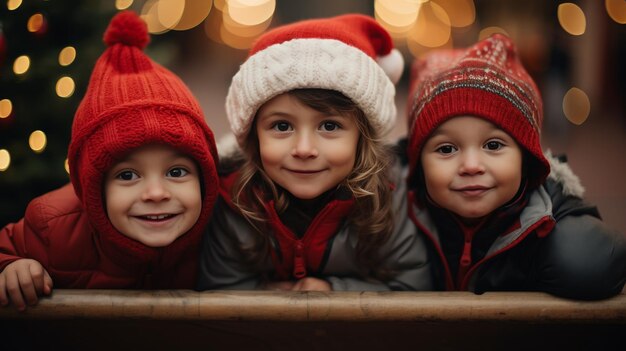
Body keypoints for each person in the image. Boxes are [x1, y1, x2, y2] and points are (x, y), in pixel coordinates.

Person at [0, 11, 219, 311]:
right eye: (128, 175)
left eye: (177, 171)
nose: (156, 193)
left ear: (205, 178)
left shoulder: (222, 224)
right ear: (94, 188)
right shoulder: (52, 226)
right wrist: (11, 267)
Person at [197, 14, 432, 291]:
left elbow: (412, 284)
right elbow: (220, 290)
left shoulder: (390, 191)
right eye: (282, 126)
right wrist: (265, 296)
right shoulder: (236, 196)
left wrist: (334, 290)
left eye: (329, 125)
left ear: (363, 138)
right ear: (253, 137)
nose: (304, 149)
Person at [405, 33, 626, 299]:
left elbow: (597, 265)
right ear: (418, 163)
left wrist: (569, 254)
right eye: (447, 149)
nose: (472, 166)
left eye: (494, 145)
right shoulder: (393, 213)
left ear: (526, 158)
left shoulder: (545, 224)